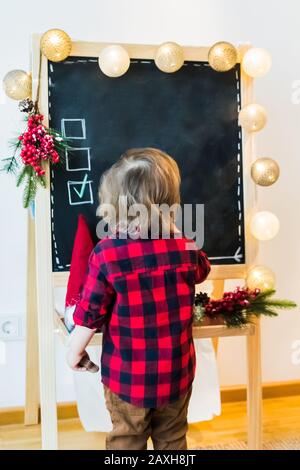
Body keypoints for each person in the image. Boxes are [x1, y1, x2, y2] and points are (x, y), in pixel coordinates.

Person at [66, 148, 211, 450]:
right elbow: (203, 269)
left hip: (127, 378)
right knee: (172, 440)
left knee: (126, 441)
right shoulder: (185, 248)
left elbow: (89, 315)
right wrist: (172, 229)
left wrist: (73, 352)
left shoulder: (107, 253)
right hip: (176, 374)